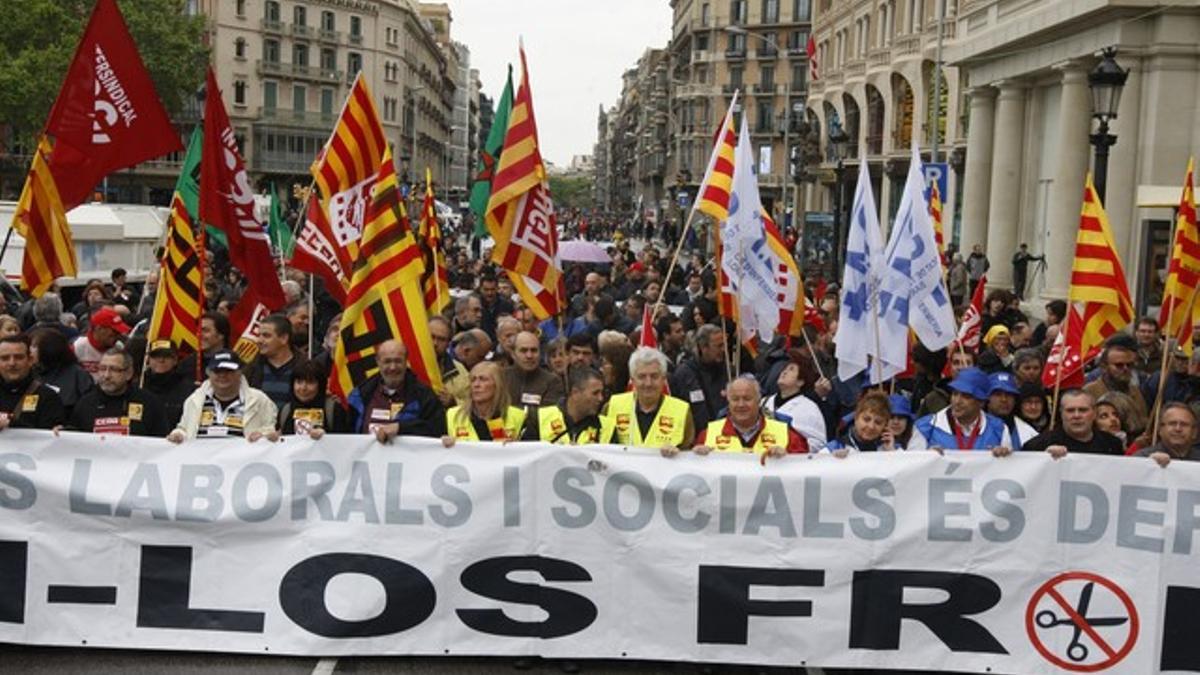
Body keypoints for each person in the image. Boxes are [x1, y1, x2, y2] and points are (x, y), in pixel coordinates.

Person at [167, 349, 278, 442]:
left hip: (244, 465)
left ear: (239, 372)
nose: (222, 375)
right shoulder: (194, 400)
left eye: (228, 371)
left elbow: (272, 431)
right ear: (209, 373)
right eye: (217, 371)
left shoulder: (259, 400)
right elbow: (184, 428)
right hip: (201, 464)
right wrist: (178, 435)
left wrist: (264, 436)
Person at [347, 339, 446, 442]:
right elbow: (347, 436)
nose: (393, 367)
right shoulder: (360, 395)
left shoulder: (425, 396)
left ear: (406, 361)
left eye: (398, 361)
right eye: (387, 361)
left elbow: (437, 430)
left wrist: (401, 428)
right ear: (377, 361)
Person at [604, 347, 695, 455]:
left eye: (654, 376)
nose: (648, 383)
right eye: (642, 377)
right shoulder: (612, 406)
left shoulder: (682, 411)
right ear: (632, 380)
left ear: (664, 379)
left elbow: (689, 454)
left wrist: (678, 453)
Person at [693, 376, 807, 457]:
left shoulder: (786, 434)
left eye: (747, 399)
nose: (741, 404)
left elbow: (805, 469)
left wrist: (789, 460)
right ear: (728, 401)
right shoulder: (707, 435)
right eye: (735, 399)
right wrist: (696, 458)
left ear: (758, 400)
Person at [908, 368, 1013, 454]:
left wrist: (1003, 459)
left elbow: (1009, 472)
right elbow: (911, 469)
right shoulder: (925, 427)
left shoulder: (999, 429)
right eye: (955, 394)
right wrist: (925, 457)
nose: (957, 401)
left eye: (966, 396)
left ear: (981, 402)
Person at [68, 349, 168, 437]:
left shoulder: (150, 403)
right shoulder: (85, 403)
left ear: (129, 373)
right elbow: (74, 440)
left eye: (114, 370)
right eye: (102, 369)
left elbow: (162, 442)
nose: (106, 375)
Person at [521, 366, 615, 444]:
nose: (601, 398)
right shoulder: (540, 419)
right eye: (595, 393)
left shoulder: (607, 428)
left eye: (602, 393)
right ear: (575, 392)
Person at [442, 361, 527, 445]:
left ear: (498, 385)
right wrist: (444, 443)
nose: (476, 385)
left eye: (483, 379)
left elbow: (529, 452)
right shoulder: (453, 415)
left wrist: (515, 446)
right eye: (473, 380)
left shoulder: (518, 416)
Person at [1021, 390, 1125, 457]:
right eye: (1070, 410)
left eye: (1083, 410)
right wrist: (1043, 459)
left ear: (1094, 414)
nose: (1076, 415)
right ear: (1061, 414)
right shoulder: (1037, 446)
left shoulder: (1112, 445)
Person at [760, 350, 827, 452]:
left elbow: (818, 445)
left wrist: (790, 446)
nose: (784, 372)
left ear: (800, 382)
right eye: (785, 369)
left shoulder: (809, 408)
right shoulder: (764, 402)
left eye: (791, 369)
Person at [1082, 338, 1149, 437]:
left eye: (1129, 365)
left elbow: (1142, 422)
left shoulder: (1135, 391)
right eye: (1119, 365)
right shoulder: (1089, 392)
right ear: (1104, 366)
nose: (1125, 369)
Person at [669, 324, 729, 431]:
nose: (723, 350)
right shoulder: (685, 374)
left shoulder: (727, 370)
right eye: (719, 346)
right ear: (703, 347)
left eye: (724, 345)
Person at [0, 335, 65, 430]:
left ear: (30, 360)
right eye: (5, 358)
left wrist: (12, 423)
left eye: (19, 357)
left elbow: (49, 439)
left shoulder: (47, 397)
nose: (12, 363)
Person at [29, 327, 93, 420]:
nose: (30, 351)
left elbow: (87, 406)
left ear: (49, 348)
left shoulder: (78, 375)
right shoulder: (29, 373)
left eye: (34, 346)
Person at [276, 359, 350, 439]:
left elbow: (345, 444)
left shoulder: (333, 410)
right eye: (299, 382)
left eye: (310, 382)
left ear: (320, 385)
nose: (303, 388)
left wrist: (327, 437)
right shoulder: (285, 411)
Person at [247, 313, 302, 408]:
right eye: (259, 335)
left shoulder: (304, 367)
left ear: (284, 338)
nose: (259, 340)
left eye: (266, 336)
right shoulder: (250, 369)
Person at [141, 339, 197, 428]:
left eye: (167, 356)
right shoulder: (138, 386)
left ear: (175, 360)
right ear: (148, 359)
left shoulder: (188, 389)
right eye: (155, 356)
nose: (161, 360)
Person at [504, 331, 565, 411]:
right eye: (524, 351)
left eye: (534, 350)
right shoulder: (501, 377)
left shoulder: (552, 381)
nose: (529, 355)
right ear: (513, 354)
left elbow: (546, 414)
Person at [826, 391, 900, 455]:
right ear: (856, 418)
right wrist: (832, 460)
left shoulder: (893, 448)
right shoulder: (835, 447)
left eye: (878, 422)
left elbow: (904, 469)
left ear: (885, 426)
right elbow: (817, 465)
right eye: (866, 419)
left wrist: (891, 453)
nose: (871, 426)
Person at [73, 306, 130, 378]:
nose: (118, 335)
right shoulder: (78, 347)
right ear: (99, 329)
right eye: (114, 331)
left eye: (119, 332)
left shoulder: (119, 347)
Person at [987, 372, 1039, 448]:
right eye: (998, 394)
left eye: (1008, 394)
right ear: (987, 397)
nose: (1004, 399)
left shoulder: (1030, 433)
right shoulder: (973, 427)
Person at [429, 316, 468, 407]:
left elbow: (471, 405)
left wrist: (454, 402)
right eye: (431, 337)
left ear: (448, 343)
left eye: (441, 339)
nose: (435, 343)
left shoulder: (459, 371)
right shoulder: (408, 363)